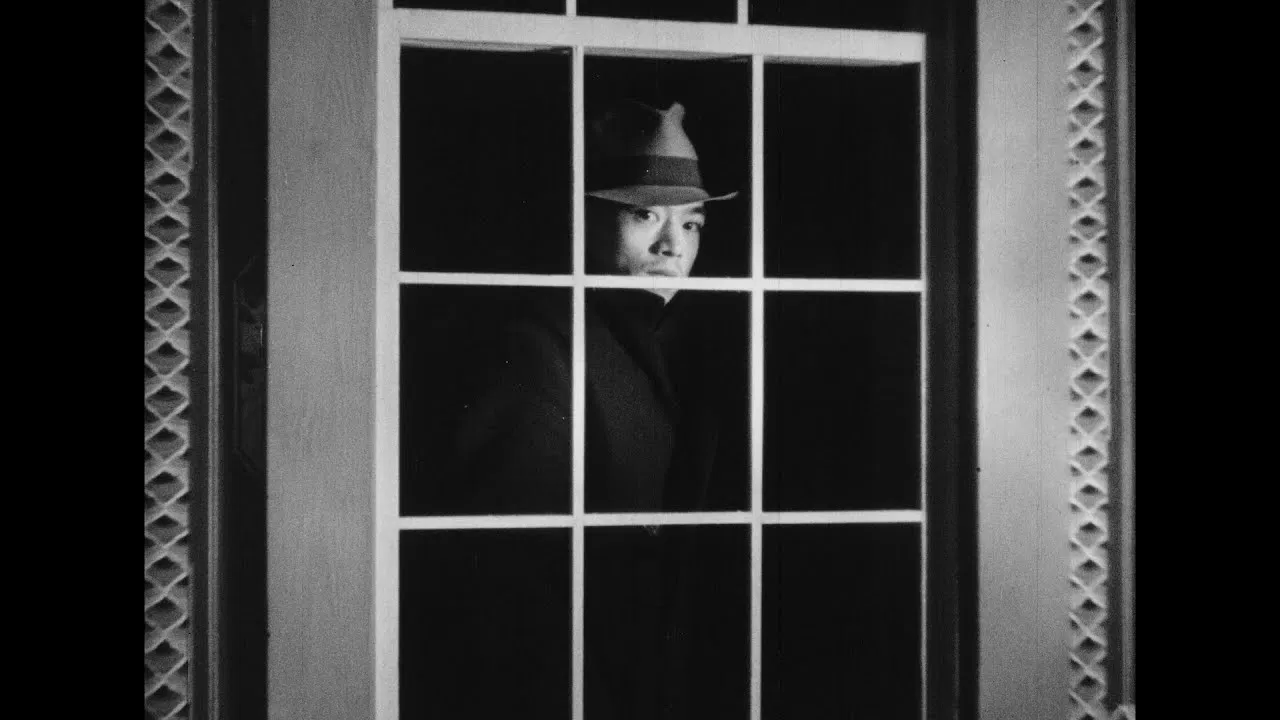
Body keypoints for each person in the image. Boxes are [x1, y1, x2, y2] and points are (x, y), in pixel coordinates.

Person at [426, 99, 743, 719]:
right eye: (644, 215)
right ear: (585, 220)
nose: (672, 246)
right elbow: (512, 592)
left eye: (692, 224)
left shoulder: (660, 339)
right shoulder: (538, 347)